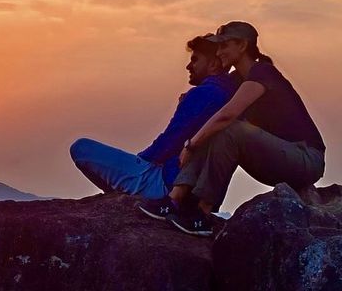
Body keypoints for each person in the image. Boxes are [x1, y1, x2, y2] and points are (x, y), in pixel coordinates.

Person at [139, 21, 325, 236]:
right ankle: (175, 200)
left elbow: (227, 115)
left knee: (230, 129)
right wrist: (189, 100)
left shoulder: (263, 72)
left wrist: (190, 146)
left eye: (224, 46)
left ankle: (203, 214)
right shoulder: (237, 79)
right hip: (275, 159)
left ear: (242, 45)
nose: (219, 52)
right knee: (214, 128)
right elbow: (214, 103)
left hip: (305, 159)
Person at [70, 35, 238, 198]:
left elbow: (171, 140)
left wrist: (140, 160)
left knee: (81, 148)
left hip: (164, 181)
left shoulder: (204, 93)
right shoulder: (231, 96)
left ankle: (123, 199)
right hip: (193, 190)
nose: (188, 66)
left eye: (195, 60)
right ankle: (121, 197)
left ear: (214, 65)